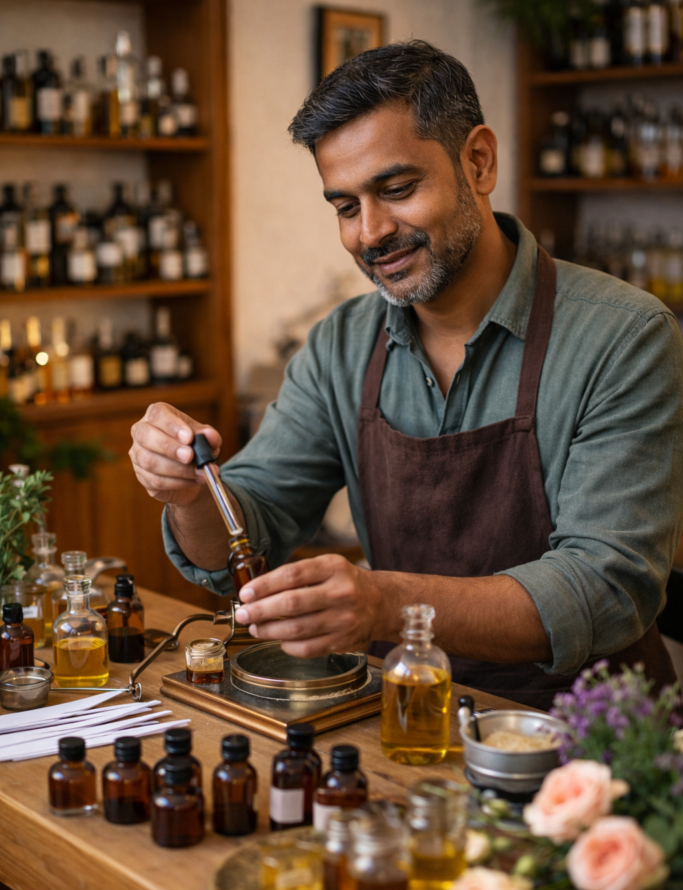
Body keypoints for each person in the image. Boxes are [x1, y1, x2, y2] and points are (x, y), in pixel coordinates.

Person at [129, 40, 683, 709]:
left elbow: (604, 588)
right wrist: (189, 493)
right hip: (402, 720)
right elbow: (240, 540)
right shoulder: (341, 344)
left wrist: (384, 602)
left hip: (586, 736)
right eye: (343, 206)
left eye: (395, 189)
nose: (370, 232)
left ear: (477, 162)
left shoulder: (622, 336)